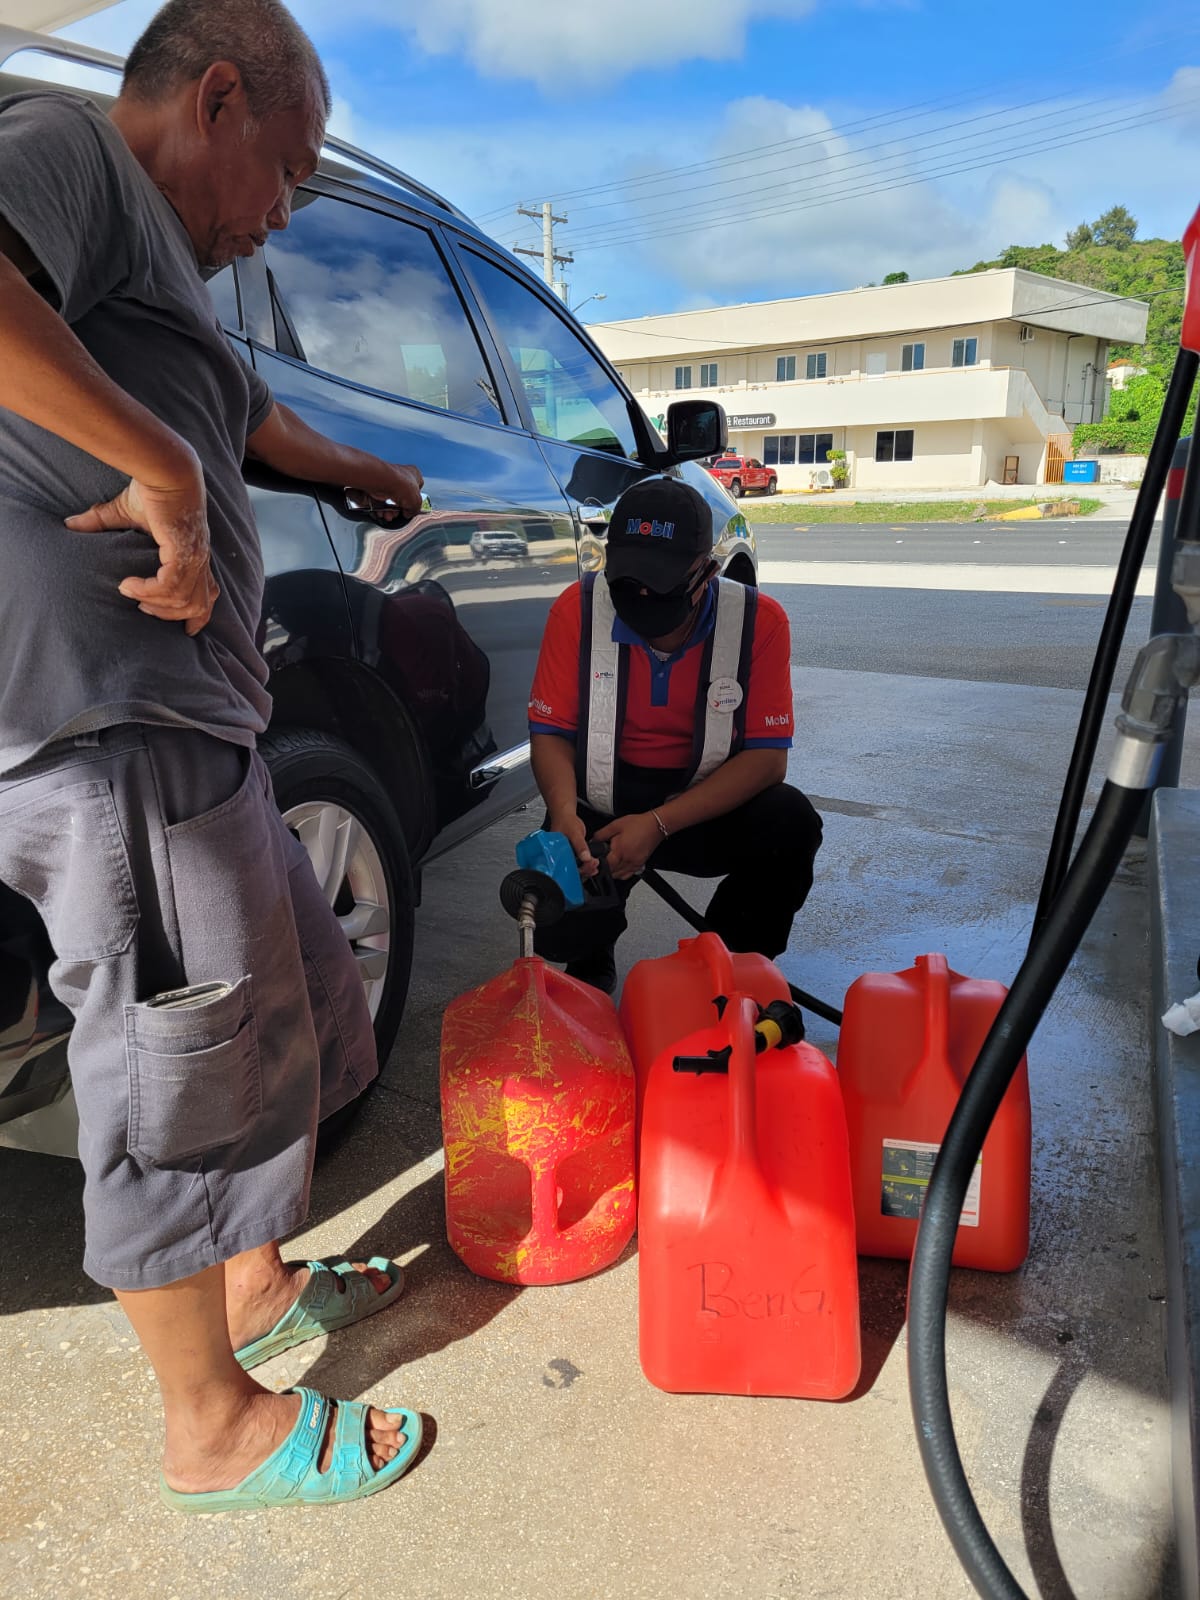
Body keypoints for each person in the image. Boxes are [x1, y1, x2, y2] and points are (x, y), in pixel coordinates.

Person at [0, 0, 426, 1512]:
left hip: (202, 725)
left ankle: (250, 1283)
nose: (286, 213)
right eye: (292, 173)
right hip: (105, 718)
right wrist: (162, 465)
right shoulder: (67, 148)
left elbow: (245, 411)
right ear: (221, 99)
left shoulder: (162, 277)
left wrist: (365, 469)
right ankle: (213, 1425)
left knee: (279, 1010)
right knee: (169, 1068)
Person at [527, 475, 824, 993]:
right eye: (629, 581)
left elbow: (767, 760)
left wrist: (659, 824)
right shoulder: (576, 609)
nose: (641, 597)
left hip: (702, 805)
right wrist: (565, 812)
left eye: (659, 584)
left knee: (790, 824)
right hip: (601, 803)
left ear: (705, 571)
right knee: (559, 926)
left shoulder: (760, 622)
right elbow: (551, 731)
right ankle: (592, 951)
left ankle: (724, 964)